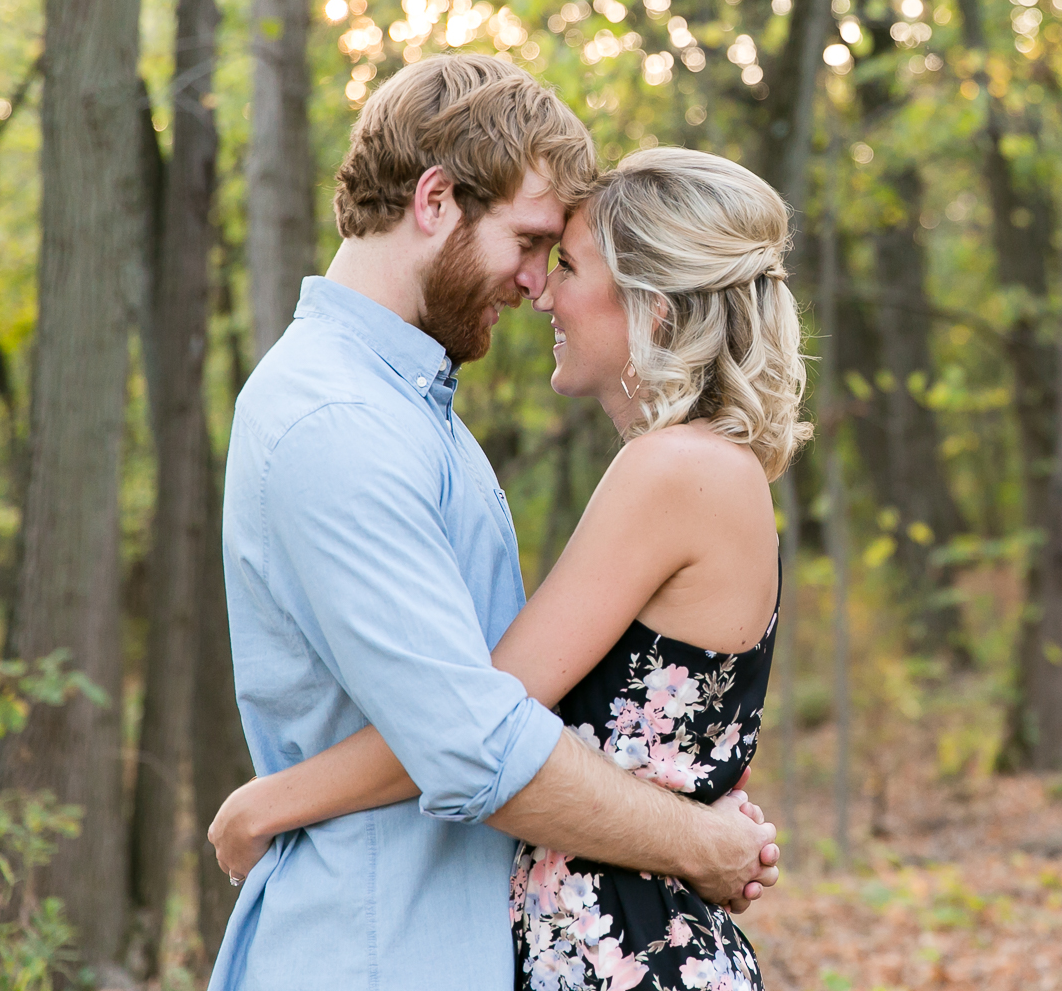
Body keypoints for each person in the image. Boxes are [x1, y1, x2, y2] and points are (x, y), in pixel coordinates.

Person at [207, 56, 784, 991]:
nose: (537, 285)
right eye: (531, 244)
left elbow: (487, 714)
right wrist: (701, 839)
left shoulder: (423, 417)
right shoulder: (341, 422)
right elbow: (478, 734)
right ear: (435, 200)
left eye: (564, 260)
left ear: (656, 305)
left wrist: (271, 802)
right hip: (382, 946)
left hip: (521, 941)